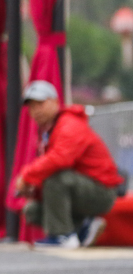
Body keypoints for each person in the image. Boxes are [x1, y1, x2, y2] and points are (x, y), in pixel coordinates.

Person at [15, 80, 122, 249]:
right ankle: (82, 228)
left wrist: (26, 175)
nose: (36, 111)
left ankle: (63, 236)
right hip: (83, 190)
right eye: (32, 107)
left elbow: (60, 159)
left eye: (40, 104)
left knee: (56, 178)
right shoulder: (50, 130)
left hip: (102, 192)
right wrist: (33, 188)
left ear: (56, 102)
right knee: (32, 210)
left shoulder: (69, 124)